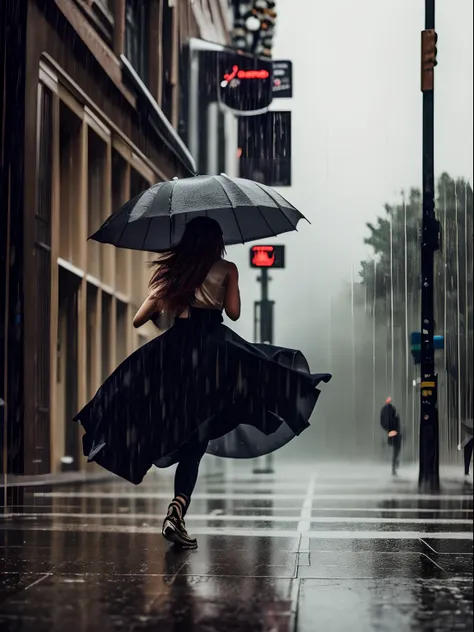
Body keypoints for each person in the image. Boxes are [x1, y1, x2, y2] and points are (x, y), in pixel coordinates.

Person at [74, 217, 331, 549]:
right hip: (214, 354)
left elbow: (140, 318)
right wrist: (221, 290)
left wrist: (170, 305)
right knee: (223, 410)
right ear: (216, 242)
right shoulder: (227, 269)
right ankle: (177, 510)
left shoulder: (174, 274)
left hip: (176, 355)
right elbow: (234, 312)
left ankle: (177, 507)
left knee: (176, 423)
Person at [380, 397, 402, 476]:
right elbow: (396, 421)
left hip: (390, 431)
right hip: (394, 431)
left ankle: (395, 464)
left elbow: (382, 422)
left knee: (395, 448)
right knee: (396, 448)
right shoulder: (392, 410)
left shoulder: (385, 410)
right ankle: (395, 464)